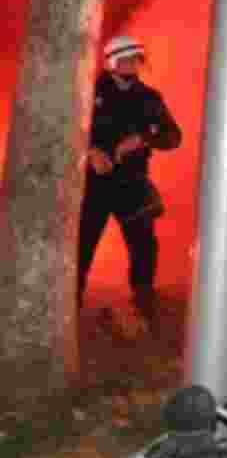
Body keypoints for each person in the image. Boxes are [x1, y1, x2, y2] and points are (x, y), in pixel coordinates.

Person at [78, 35, 182, 337]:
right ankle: (68, 305)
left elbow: (173, 136)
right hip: (93, 183)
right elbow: (64, 129)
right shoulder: (86, 91)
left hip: (132, 183)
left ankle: (144, 304)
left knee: (144, 245)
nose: (131, 64)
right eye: (125, 59)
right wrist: (90, 152)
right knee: (82, 245)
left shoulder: (149, 97)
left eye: (136, 59)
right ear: (111, 62)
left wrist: (144, 139)